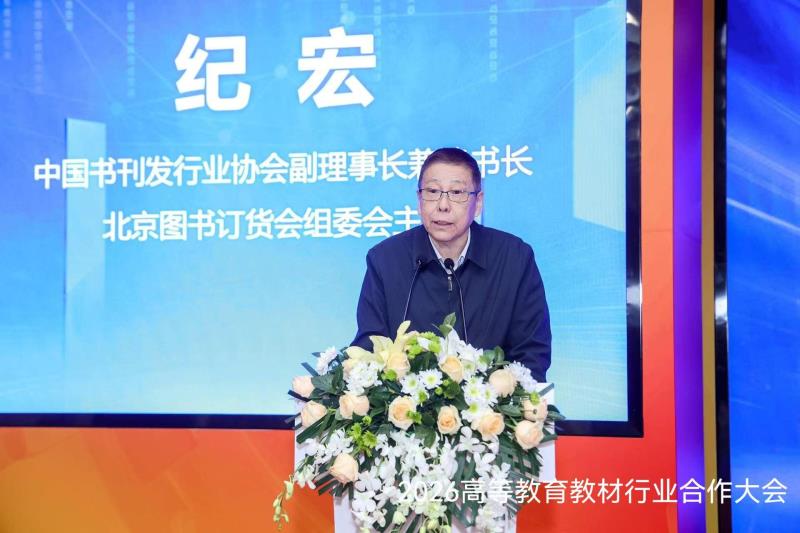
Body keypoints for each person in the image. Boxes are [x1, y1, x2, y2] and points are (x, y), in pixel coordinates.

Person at [351, 147, 551, 381]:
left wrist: (500, 393)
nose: (443, 205)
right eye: (432, 191)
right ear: (419, 200)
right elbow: (369, 350)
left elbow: (532, 354)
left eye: (457, 192)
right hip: (406, 402)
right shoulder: (385, 260)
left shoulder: (514, 258)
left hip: (491, 402)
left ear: (478, 203)